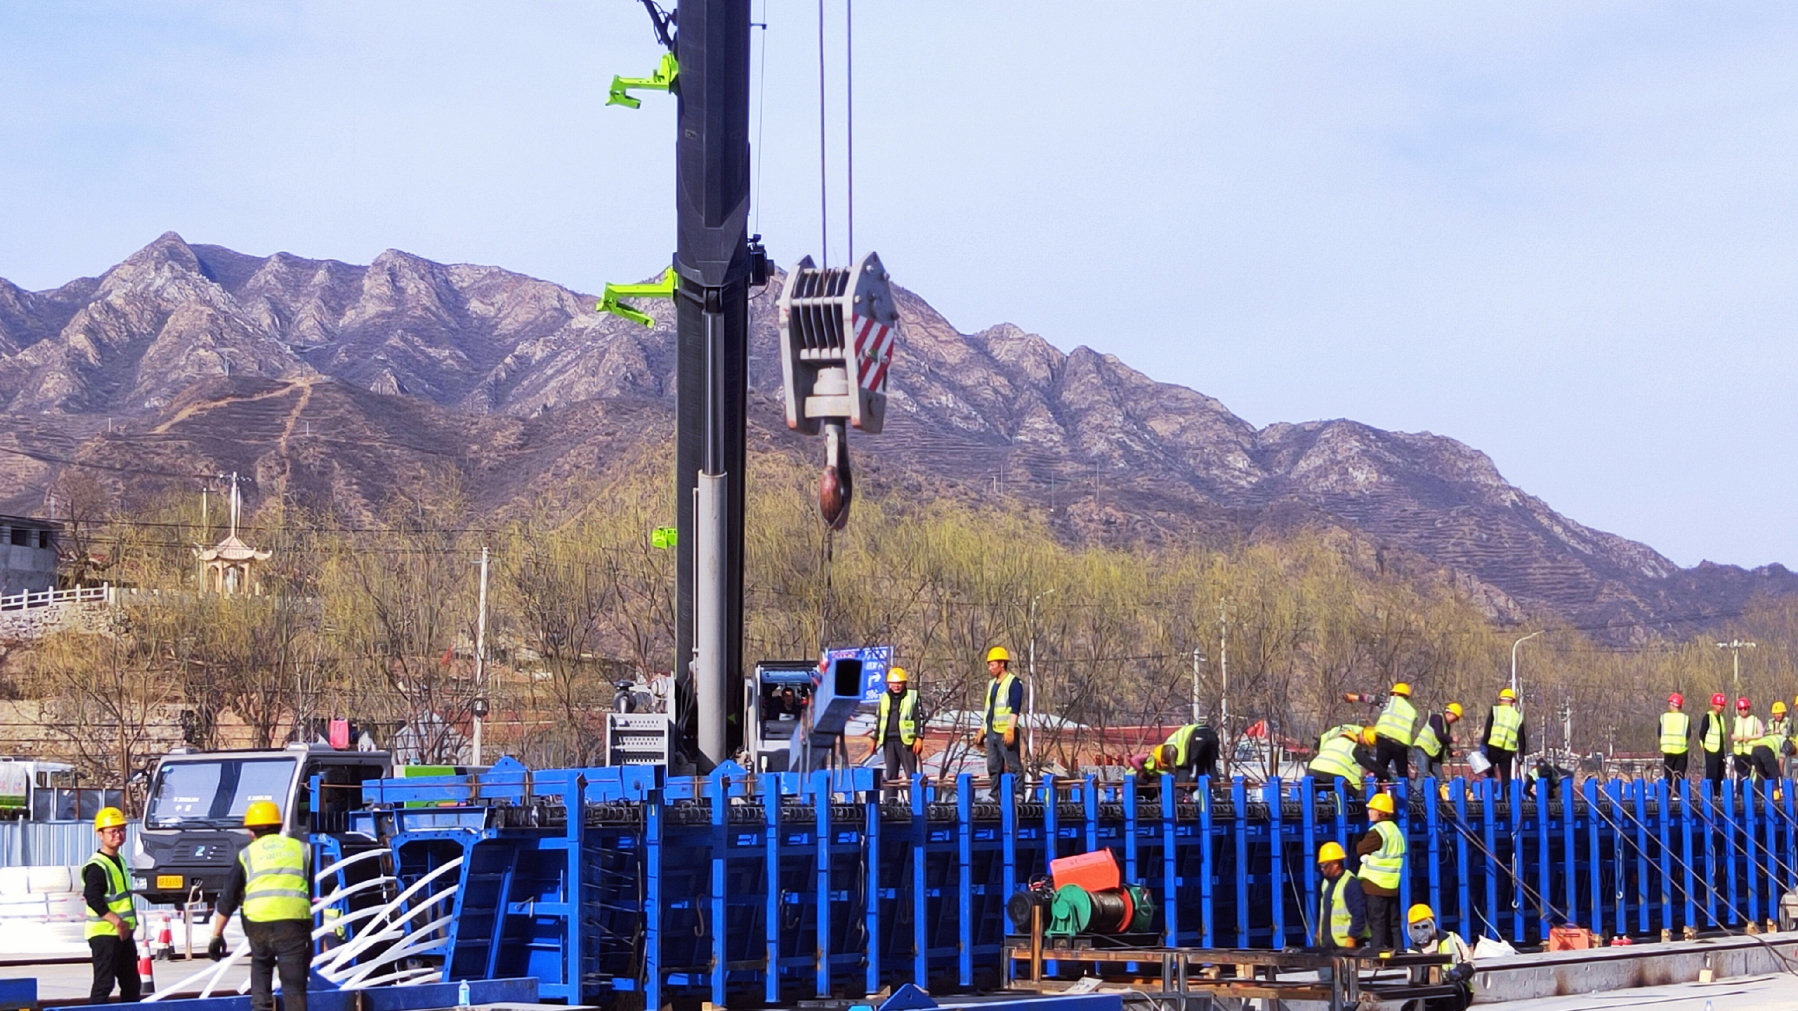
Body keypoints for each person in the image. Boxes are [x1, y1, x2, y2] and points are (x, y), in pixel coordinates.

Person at [209, 801, 311, 1011]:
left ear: (250, 832)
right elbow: (308, 888)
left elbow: (228, 898)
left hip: (258, 924)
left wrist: (216, 936)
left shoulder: (247, 854)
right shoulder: (301, 849)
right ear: (280, 826)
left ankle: (261, 1006)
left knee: (261, 965)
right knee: (293, 985)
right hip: (293, 924)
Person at [84, 806, 140, 1004]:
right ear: (100, 834)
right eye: (112, 831)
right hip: (105, 934)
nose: (118, 835)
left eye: (121, 830)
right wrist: (117, 921)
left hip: (122, 933)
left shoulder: (119, 860)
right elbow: (93, 898)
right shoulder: (97, 866)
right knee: (104, 983)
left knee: (131, 983)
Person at [1356, 791, 1407, 953]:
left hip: (1374, 885)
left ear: (1382, 812)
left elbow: (1360, 849)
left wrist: (1359, 843)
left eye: (1372, 809)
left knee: (1376, 922)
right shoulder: (1396, 832)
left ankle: (1377, 953)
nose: (1369, 812)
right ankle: (1398, 952)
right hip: (1391, 886)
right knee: (1393, 923)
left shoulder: (1377, 832)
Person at [1405, 903, 1475, 1011]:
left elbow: (1470, 963)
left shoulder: (1451, 938)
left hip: (1456, 990)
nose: (1421, 931)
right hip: (1429, 994)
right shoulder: (1412, 951)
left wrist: (1460, 972)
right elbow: (1412, 981)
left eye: (1424, 926)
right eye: (1416, 928)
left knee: (1450, 994)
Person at [1346, 682, 1418, 783]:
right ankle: (1404, 795)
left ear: (1396, 693)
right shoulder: (1412, 711)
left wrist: (1352, 697)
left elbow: (1370, 699)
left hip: (1384, 740)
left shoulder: (1391, 701)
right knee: (1402, 773)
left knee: (1380, 769)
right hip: (1401, 744)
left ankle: (1379, 795)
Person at [871, 667, 925, 791]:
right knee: (890, 776)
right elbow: (878, 718)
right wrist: (874, 738)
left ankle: (914, 803)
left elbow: (919, 717)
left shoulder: (912, 696)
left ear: (904, 683)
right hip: (888, 741)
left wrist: (919, 737)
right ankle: (890, 804)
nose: (896, 686)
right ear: (889, 684)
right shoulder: (884, 697)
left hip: (906, 742)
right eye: (893, 683)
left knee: (911, 775)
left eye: (899, 683)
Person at [980, 646, 1023, 798]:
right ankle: (995, 794)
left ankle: (1018, 793)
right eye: (989, 665)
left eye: (993, 664)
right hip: (992, 731)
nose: (990, 668)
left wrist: (1010, 728)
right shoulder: (992, 684)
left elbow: (1014, 708)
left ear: (1002, 664)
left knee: (1013, 764)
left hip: (1006, 731)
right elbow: (989, 709)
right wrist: (983, 730)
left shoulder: (1013, 683)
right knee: (993, 765)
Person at [1315, 841, 1369, 952]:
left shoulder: (1350, 883)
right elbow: (1325, 913)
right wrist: (1319, 933)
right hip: (1328, 945)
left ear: (1335, 864)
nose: (1321, 869)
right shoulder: (1326, 883)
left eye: (1324, 865)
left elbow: (1359, 915)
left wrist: (1352, 938)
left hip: (1345, 945)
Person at [1144, 717, 1221, 786]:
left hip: (1196, 734)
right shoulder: (1174, 739)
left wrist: (1175, 769)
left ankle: (1179, 795)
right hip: (1212, 734)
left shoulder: (1169, 745)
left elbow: (1179, 763)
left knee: (1184, 767)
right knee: (1210, 766)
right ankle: (1218, 794)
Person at [1481, 688, 1527, 785]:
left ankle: (1489, 795)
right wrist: (1522, 753)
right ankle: (1505, 798)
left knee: (1488, 772)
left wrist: (1484, 743)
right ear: (1513, 702)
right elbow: (1521, 737)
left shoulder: (1495, 710)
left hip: (1493, 746)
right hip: (1508, 750)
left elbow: (1488, 727)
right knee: (1505, 776)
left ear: (1500, 700)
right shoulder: (1517, 716)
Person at [1309, 725, 1368, 795]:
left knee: (1312, 790)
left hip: (1313, 771)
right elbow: (1370, 764)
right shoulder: (1351, 746)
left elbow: (1322, 739)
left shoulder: (1330, 742)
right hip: (1335, 775)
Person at [1414, 703, 1462, 783]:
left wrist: (1451, 752)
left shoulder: (1447, 726)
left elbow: (1443, 743)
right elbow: (1439, 735)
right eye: (1455, 718)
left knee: (1439, 778)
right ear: (1449, 713)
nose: (1455, 721)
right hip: (1423, 748)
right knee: (1423, 773)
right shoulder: (1437, 718)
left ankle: (1436, 794)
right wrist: (1452, 739)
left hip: (1433, 753)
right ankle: (1416, 795)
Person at [1749, 700, 1787, 788]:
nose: (1778, 715)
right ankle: (1777, 794)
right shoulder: (1769, 724)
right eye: (1776, 713)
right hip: (1765, 750)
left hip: (1756, 748)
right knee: (1774, 773)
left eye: (1780, 713)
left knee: (1761, 774)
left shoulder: (1788, 723)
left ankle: (1758, 797)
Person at [1658, 693, 1691, 785]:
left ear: (1673, 704)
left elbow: (1659, 732)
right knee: (1679, 775)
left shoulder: (1664, 717)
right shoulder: (1685, 718)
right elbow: (1688, 734)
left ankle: (1667, 794)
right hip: (1681, 750)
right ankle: (1677, 795)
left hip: (1667, 750)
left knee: (1667, 775)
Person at [1697, 693, 1729, 787]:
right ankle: (1711, 794)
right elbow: (1702, 733)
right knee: (1712, 774)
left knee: (1720, 773)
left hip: (1720, 751)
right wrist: (1702, 745)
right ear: (1713, 705)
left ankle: (1717, 793)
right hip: (1711, 749)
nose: (1721, 707)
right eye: (1719, 704)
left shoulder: (1721, 719)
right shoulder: (1708, 717)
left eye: (1722, 705)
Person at [1730, 696, 1763, 780]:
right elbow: (1731, 735)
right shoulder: (1735, 720)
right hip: (1738, 752)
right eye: (1740, 709)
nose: (1743, 710)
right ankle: (1740, 792)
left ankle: (1751, 791)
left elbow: (1761, 734)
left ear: (1748, 708)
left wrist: (1750, 738)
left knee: (1750, 775)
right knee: (1740, 776)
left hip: (1750, 752)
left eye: (1745, 708)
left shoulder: (1755, 720)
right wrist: (1737, 738)